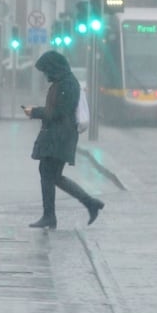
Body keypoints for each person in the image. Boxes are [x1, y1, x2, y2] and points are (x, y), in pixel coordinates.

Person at [23, 50, 104, 229]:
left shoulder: (67, 84)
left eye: (46, 70)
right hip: (57, 136)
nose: (45, 75)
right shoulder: (61, 82)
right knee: (52, 175)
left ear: (54, 68)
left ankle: (51, 215)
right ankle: (88, 204)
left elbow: (58, 112)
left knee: (49, 174)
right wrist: (37, 111)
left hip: (60, 137)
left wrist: (35, 112)